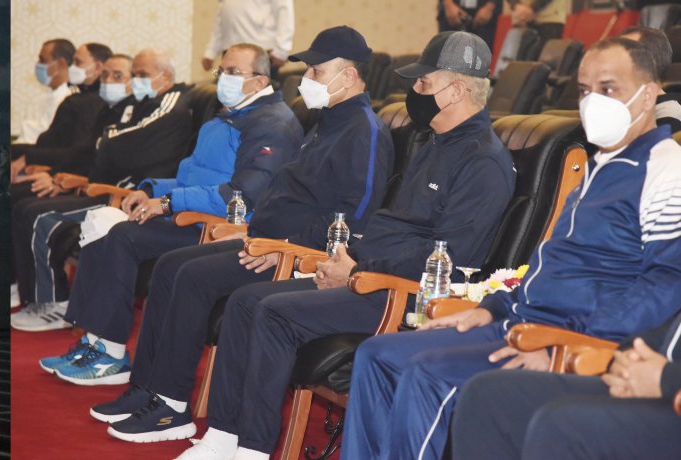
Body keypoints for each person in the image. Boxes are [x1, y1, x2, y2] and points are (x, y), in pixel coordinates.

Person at [166, 31, 515, 458]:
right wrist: (348, 260)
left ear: (457, 89)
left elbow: (448, 257)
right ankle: (224, 435)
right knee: (245, 301)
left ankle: (252, 450)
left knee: (273, 312)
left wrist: (357, 269)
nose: (414, 92)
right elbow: (393, 227)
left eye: (423, 84)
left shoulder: (483, 160)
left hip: (403, 292)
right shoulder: (434, 143)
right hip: (369, 270)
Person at [343, 35, 681, 460]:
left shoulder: (666, 169)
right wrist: (492, 307)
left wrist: (566, 343)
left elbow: (663, 287)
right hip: (514, 323)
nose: (593, 101)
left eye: (608, 89)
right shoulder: (601, 166)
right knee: (378, 356)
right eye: (583, 90)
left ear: (648, 94)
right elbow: (549, 272)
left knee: (427, 373)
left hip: (565, 338)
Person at [44, 27, 394, 433]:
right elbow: (286, 196)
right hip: (263, 239)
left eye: (316, 71)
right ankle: (149, 388)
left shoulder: (364, 131)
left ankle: (171, 406)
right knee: (171, 266)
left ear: (348, 75)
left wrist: (283, 245)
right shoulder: (327, 123)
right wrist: (250, 229)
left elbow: (355, 217)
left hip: (297, 254)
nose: (306, 80)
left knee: (191, 275)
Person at [19, 42, 301, 337]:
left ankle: (109, 348)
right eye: (222, 70)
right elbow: (189, 176)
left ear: (260, 81)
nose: (223, 78)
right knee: (101, 226)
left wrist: (168, 202)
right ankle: (90, 339)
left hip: (219, 224)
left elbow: (240, 195)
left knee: (123, 236)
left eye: (233, 72)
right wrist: (151, 190)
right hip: (192, 209)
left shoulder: (271, 125)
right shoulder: (222, 119)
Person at [451, 312, 681, 460]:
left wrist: (665, 379)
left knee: (564, 425)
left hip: (672, 395)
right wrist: (626, 361)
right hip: (658, 379)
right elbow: (667, 331)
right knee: (490, 395)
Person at [200, 0, 293, 74]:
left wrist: (281, 51)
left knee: (258, 93)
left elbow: (285, 12)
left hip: (260, 51)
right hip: (229, 50)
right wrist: (211, 51)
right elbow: (223, 16)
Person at [19, 39, 80, 144]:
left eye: (42, 60)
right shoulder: (53, 95)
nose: (37, 64)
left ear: (61, 64)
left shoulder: (68, 97)